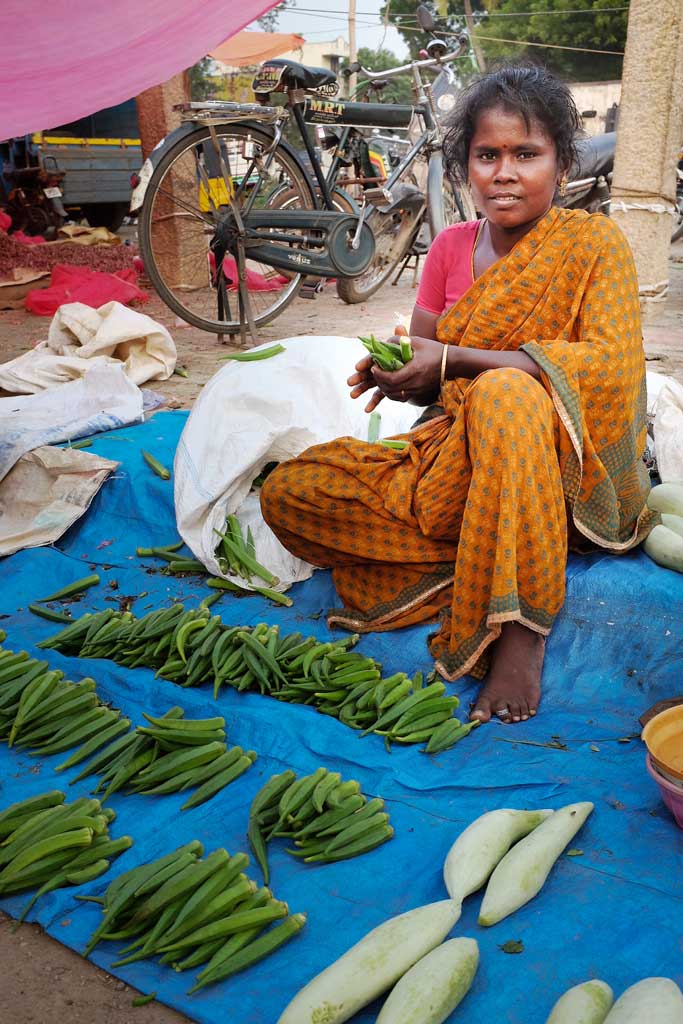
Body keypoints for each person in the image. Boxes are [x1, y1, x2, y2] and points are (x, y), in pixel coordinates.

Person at [260, 63, 657, 725]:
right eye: (487, 155)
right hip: (460, 465)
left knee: (507, 392)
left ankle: (521, 630)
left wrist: (457, 359)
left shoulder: (593, 244)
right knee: (289, 493)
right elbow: (432, 379)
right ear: (464, 166)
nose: (504, 172)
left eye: (526, 154)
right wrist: (402, 375)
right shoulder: (447, 249)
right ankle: (491, 548)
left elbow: (611, 367)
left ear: (561, 166)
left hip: (557, 472)